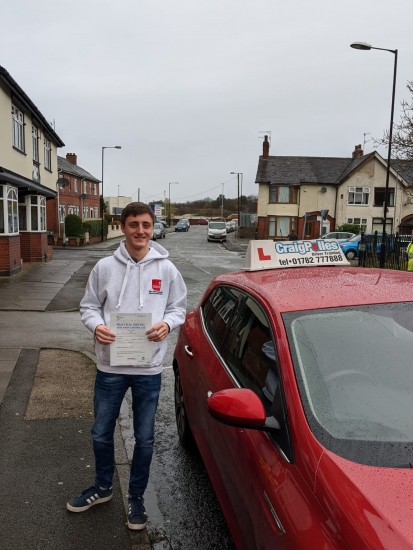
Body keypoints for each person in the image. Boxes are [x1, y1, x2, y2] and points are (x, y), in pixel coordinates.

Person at [67, 202, 187, 531]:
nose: (140, 230)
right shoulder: (105, 267)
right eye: (133, 224)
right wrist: (96, 326)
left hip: (148, 370)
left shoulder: (166, 269)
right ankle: (103, 488)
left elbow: (179, 308)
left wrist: (167, 324)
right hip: (110, 367)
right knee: (101, 432)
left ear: (153, 227)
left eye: (146, 224)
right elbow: (88, 307)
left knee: (145, 439)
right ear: (122, 227)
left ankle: (135, 496)